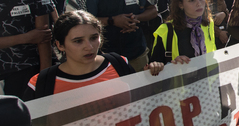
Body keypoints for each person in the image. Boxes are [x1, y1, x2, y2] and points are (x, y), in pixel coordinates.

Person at [24, 11, 164, 99]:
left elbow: (142, 103)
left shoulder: (119, 64)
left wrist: (149, 77)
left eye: (93, 38)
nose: (89, 47)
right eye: (78, 41)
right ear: (60, 45)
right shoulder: (41, 84)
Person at [150, 0, 216, 65]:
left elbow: (212, 55)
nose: (199, 4)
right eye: (191, 0)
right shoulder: (165, 30)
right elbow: (154, 66)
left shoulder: (208, 23)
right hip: (180, 78)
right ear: (180, 4)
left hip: (209, 77)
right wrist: (172, 63)